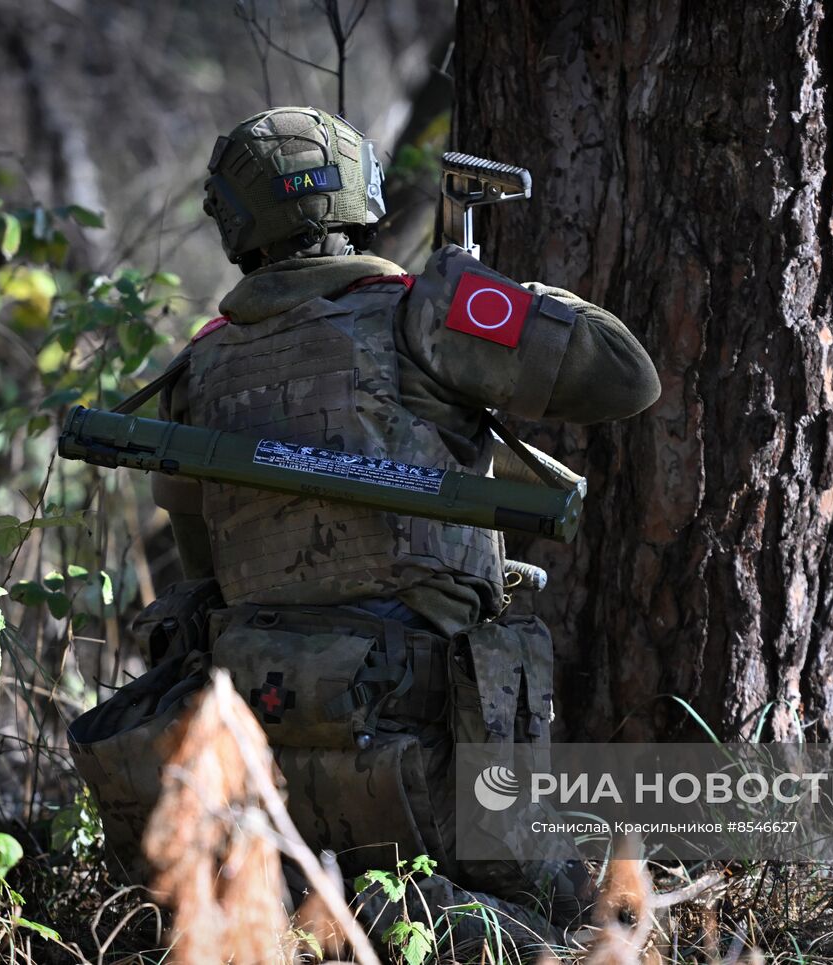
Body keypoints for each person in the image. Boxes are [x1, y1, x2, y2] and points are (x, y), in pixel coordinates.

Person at [70, 105, 661, 955]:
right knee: (588, 930)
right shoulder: (423, 315)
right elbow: (627, 375)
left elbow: (208, 569)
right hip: (446, 752)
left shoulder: (200, 367)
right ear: (363, 192)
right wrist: (482, 293)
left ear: (236, 222)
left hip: (273, 765)